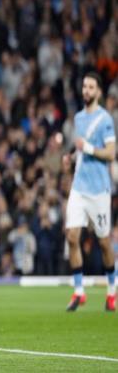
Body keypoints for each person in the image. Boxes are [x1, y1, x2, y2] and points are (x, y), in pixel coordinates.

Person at [63, 72, 116, 312]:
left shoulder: (105, 119)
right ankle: (79, 291)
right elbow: (80, 150)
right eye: (84, 86)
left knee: (104, 243)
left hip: (99, 190)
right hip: (79, 187)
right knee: (72, 236)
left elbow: (110, 153)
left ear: (99, 91)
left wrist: (89, 148)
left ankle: (112, 291)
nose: (86, 90)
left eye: (91, 87)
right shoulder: (78, 118)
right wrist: (70, 157)